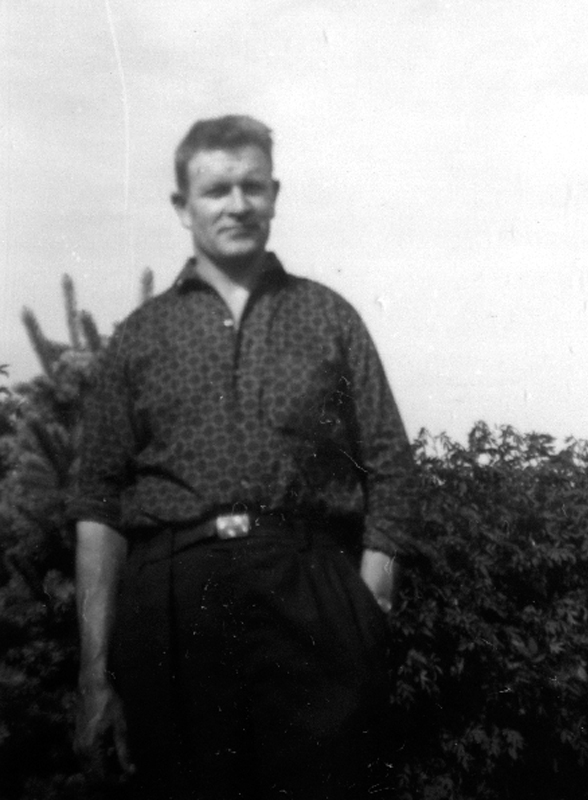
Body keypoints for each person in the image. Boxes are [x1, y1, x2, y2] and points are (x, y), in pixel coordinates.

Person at [69, 115, 415, 800]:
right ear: (183, 206)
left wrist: (367, 609)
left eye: (252, 187)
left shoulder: (329, 317)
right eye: (216, 190)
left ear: (274, 195)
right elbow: (98, 503)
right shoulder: (141, 336)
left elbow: (390, 466)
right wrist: (94, 671)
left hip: (309, 592)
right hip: (175, 602)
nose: (237, 205)